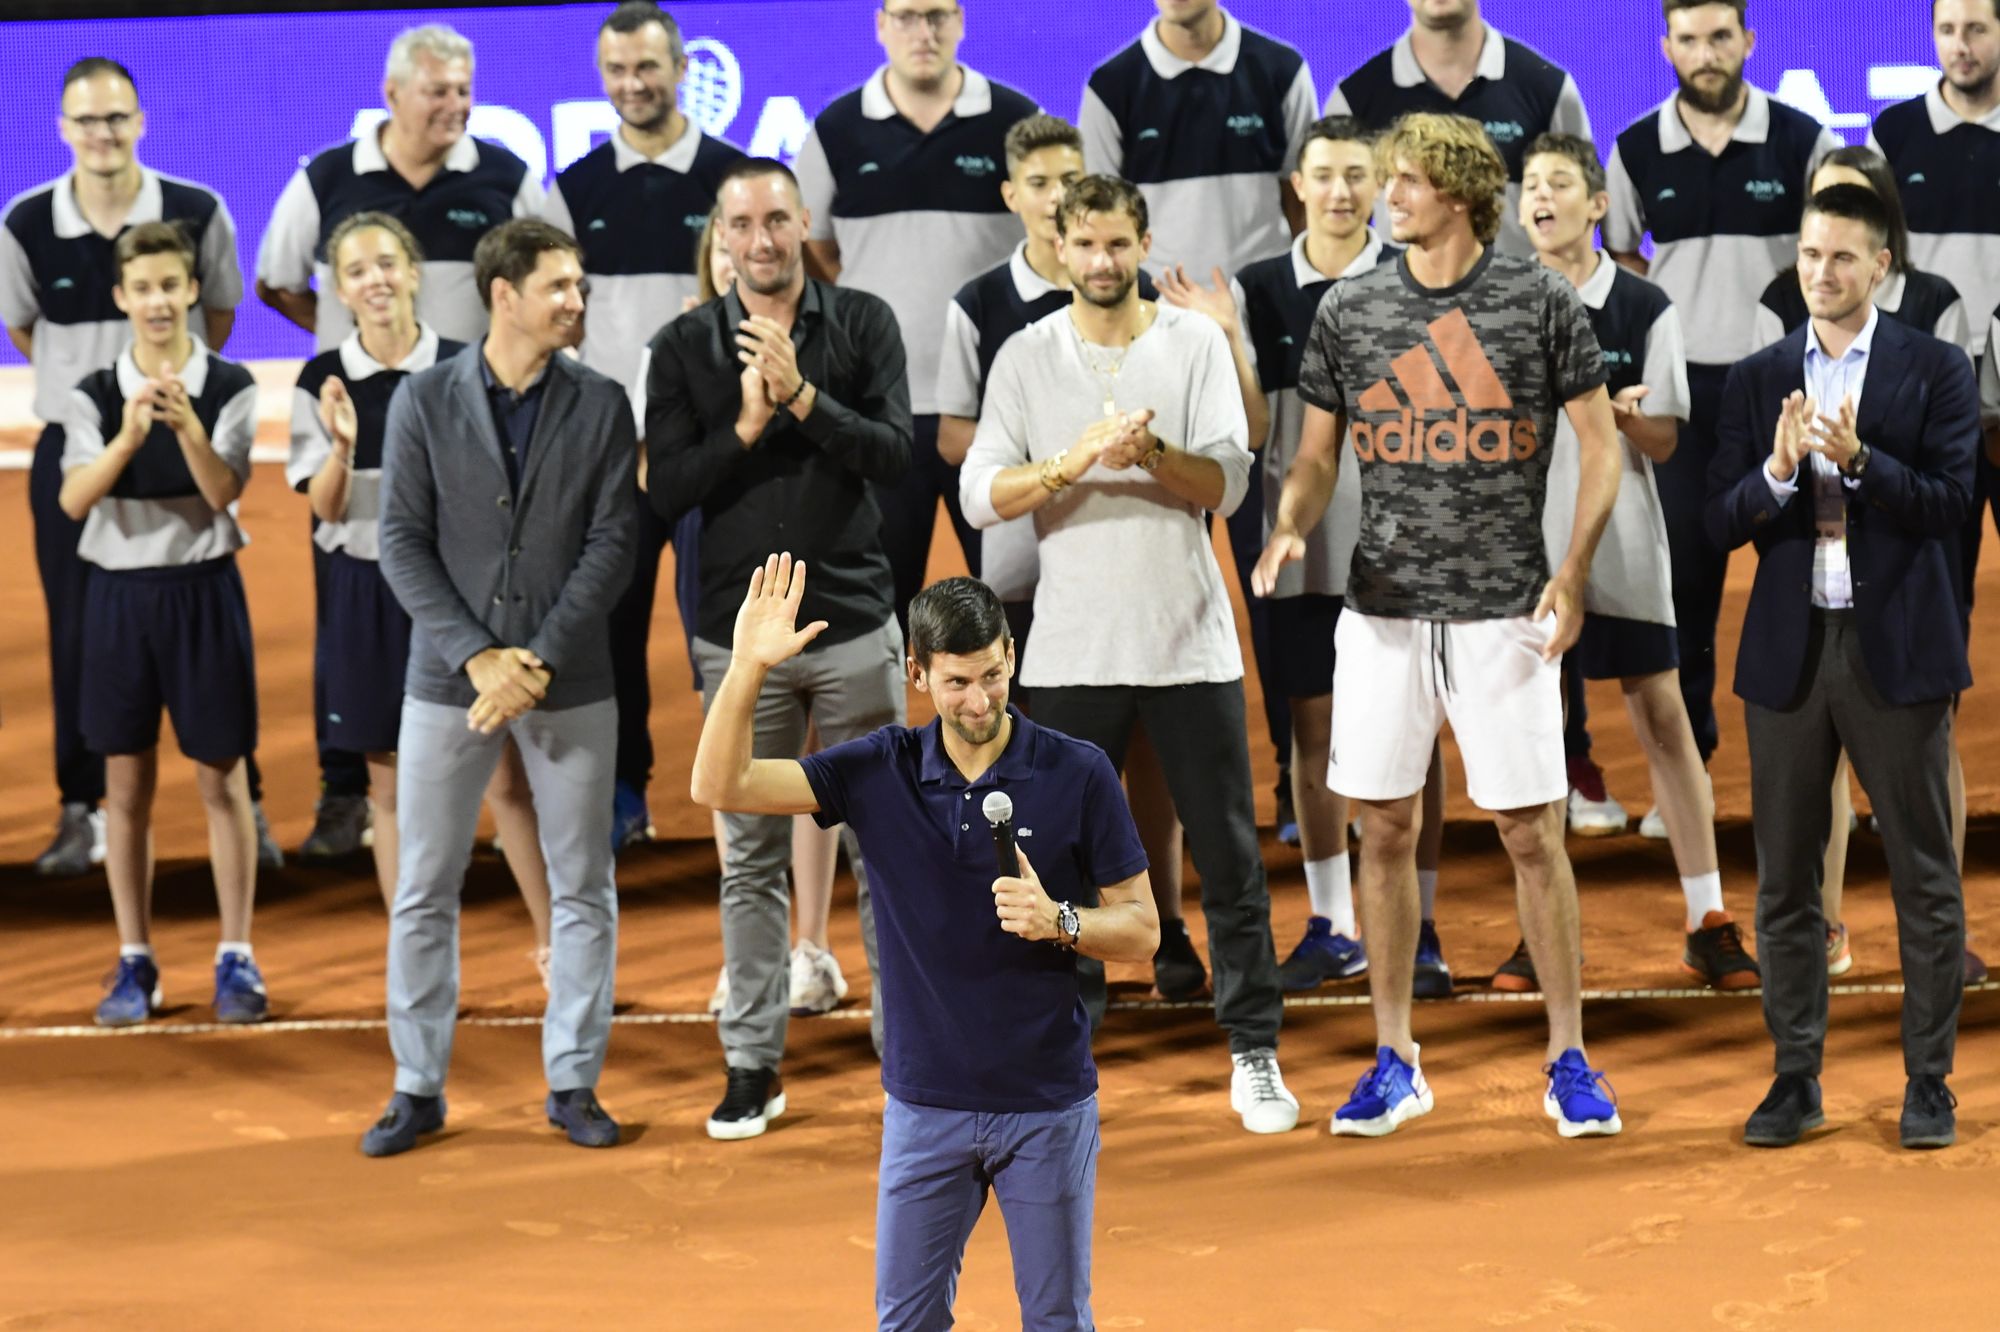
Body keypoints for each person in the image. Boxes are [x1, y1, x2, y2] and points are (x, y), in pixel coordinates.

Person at [1256, 112, 1624, 1138]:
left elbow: (1599, 446)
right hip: (1380, 613)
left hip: (1505, 609)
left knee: (1530, 833)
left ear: (1457, 193)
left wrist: (1574, 569)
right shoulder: (1351, 306)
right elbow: (1316, 453)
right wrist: (1289, 522)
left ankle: (1568, 1057)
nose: (1386, 198)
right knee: (1382, 829)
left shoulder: (1538, 300)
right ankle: (1394, 1057)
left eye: (1405, 182)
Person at [690, 561, 1156, 1331]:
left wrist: (1060, 921)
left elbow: (1141, 928)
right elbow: (721, 786)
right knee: (905, 1323)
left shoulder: (1078, 772)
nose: (979, 701)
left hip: (1045, 1104)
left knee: (1057, 1319)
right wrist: (745, 668)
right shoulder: (879, 770)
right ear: (916, 673)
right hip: (924, 1106)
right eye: (956, 683)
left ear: (1012, 655)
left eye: (993, 675)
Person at [960, 173, 1298, 1135]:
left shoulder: (1194, 343)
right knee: (1053, 865)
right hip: (1071, 651)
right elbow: (982, 492)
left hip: (1190, 645)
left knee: (1229, 859)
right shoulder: (1026, 354)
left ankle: (1254, 1050)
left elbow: (1228, 484)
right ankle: (1058, 1049)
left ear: (1144, 244)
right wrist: (1071, 462)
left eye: (1118, 243)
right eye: (1086, 244)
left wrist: (1148, 454)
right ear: (1058, 247)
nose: (1103, 261)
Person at [646, 158, 912, 1140]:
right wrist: (748, 425)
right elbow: (668, 489)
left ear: (804, 225)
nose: (760, 240)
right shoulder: (681, 347)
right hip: (737, 637)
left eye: (775, 220)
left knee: (886, 853)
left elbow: (895, 454)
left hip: (852, 624)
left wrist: (802, 398)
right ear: (719, 238)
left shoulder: (865, 323)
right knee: (748, 860)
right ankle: (752, 1063)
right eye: (741, 224)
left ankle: (908, 1057)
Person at [359, 219, 636, 1158]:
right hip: (449, 682)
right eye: (559, 286)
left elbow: (613, 544)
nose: (576, 301)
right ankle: (416, 1086)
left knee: (583, 884)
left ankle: (574, 1080)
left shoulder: (604, 404)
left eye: (578, 285)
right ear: (503, 295)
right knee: (424, 886)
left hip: (571, 680)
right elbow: (401, 541)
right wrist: (480, 657)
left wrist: (538, 662)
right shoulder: (422, 399)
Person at [1708, 185, 1975, 1151]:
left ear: (1881, 267)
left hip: (1896, 648)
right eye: (1811, 255)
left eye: (1843, 257)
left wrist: (1862, 461)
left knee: (1923, 874)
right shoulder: (1757, 377)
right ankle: (1795, 1077)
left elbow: (1951, 503)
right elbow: (1718, 519)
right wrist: (1778, 476)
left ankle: (1929, 1083)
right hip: (1789, 655)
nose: (1822, 273)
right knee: (1785, 880)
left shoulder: (1937, 368)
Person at [258, 23, 546, 859]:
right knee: (350, 622)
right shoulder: (326, 177)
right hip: (359, 419)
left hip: (476, 428)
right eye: (437, 91)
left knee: (481, 603)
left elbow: (547, 279)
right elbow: (277, 279)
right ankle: (345, 788)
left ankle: (503, 793)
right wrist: (362, 344)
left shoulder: (506, 178)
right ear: (392, 95)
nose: (455, 106)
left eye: (464, 91)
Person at [933, 114, 1190, 1001]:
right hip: (1022, 570)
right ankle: (1058, 942)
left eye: (1070, 181)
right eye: (1040, 184)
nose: (1056, 200)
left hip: (1128, 570)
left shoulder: (1144, 300)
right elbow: (958, 440)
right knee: (1047, 773)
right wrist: (1061, 453)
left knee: (1148, 758)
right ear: (1014, 196)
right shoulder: (981, 305)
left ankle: (1165, 923)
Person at [0, 57, 272, 877]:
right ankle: (81, 808)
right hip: (80, 442)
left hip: (181, 425)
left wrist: (171, 394)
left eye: (117, 117)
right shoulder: (25, 221)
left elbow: (218, 312)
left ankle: (247, 802)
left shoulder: (197, 210)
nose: (103, 133)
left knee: (211, 623)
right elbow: (24, 328)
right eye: (87, 120)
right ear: (62, 128)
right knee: (76, 629)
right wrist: (91, 396)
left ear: (141, 121)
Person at [1160, 115, 1408, 992]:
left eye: (1357, 174)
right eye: (1324, 175)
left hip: (1404, 546)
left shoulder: (1415, 274)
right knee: (1311, 726)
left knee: (1411, 729)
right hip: (1296, 544)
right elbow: (1255, 431)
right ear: (1296, 186)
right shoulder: (1259, 290)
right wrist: (1229, 335)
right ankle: (1334, 922)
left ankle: (1419, 928)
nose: (1341, 191)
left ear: (1381, 185)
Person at [287, 210, 556, 981]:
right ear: (340, 291)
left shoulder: (466, 366)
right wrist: (342, 447)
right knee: (389, 787)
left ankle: (557, 946)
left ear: (413, 272)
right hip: (363, 592)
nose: (374, 281)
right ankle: (421, 965)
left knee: (504, 776)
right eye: (356, 271)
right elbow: (326, 508)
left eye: (386, 264)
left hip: (455, 593)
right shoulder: (321, 379)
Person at [1519, 132, 1758, 991]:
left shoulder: (1644, 306)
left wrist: (1616, 417)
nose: (1541, 198)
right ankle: (1539, 932)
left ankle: (1708, 918)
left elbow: (1664, 440)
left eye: (1560, 184)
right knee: (1534, 733)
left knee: (1663, 717)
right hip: (1523, 550)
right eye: (1530, 185)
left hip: (1620, 541)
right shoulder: (1500, 301)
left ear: (1597, 205)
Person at [1749, 146, 1987, 987]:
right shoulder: (1782, 307)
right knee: (1816, 753)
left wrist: (1863, 463)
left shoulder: (1935, 306)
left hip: (1916, 564)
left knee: (1926, 731)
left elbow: (1951, 458)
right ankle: (1825, 924)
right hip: (1809, 580)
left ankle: (1942, 933)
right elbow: (1754, 443)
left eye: (1846, 236)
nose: (1825, 263)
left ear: (1881, 244)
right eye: (1815, 234)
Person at [1604, 0, 1842, 834]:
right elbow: (1624, 259)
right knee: (1686, 590)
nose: (1705, 53)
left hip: (1790, 391)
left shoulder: (1805, 141)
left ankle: (1824, 787)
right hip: (1683, 400)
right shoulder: (1634, 148)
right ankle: (1691, 782)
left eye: (1720, 37)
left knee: (1812, 579)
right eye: (1689, 39)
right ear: (1666, 47)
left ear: (1749, 41)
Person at [541, 1, 748, 853]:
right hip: (615, 460)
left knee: (727, 631)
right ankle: (625, 793)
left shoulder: (734, 180)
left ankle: (746, 793)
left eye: (648, 68)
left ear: (681, 70)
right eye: (618, 71)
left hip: (719, 455)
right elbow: (556, 322)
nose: (633, 85)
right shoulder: (573, 190)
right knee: (610, 629)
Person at [55, 221, 267, 1027]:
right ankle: (134, 957)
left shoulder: (231, 384)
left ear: (192, 291)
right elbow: (74, 499)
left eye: (171, 286)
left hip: (203, 592)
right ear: (121, 297)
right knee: (125, 784)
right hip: (118, 597)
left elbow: (222, 492)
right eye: (142, 288)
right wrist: (129, 437)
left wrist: (187, 428)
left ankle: (236, 954)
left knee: (222, 777)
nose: (158, 302)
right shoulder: (93, 393)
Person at [793, 0, 1036, 636]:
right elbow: (815, 248)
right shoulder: (836, 128)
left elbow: (1045, 239)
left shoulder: (1015, 119)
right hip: (879, 411)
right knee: (880, 613)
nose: (922, 32)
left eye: (936, 15)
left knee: (1013, 608)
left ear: (960, 21)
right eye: (906, 16)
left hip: (994, 413)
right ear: (880, 25)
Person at [1871, 0, 2000, 635]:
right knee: (1936, 577)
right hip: (1925, 380)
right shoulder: (1893, 133)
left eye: (1975, 28)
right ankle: (1938, 703)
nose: (1960, 45)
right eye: (1947, 30)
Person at [1325, 0, 1590, 258]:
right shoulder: (1354, 100)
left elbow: (1583, 215)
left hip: (1522, 286)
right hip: (1396, 287)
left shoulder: (1549, 90)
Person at [1079, 0, 1317, 280]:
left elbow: (1305, 198)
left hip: (1266, 292)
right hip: (1159, 295)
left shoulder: (1283, 71)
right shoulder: (1108, 87)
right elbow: (1101, 214)